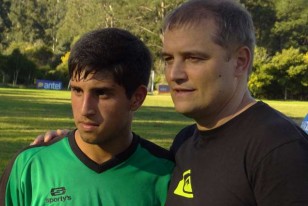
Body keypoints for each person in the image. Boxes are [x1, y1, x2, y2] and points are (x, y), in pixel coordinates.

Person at [29, 0, 308, 205]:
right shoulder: (185, 142)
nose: (175, 74)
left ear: (240, 61)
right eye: (169, 58)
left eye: (194, 58)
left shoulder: (278, 148)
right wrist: (76, 142)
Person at [0, 28, 174, 206]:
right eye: (77, 90)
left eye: (101, 93)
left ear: (137, 98)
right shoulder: (29, 166)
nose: (85, 109)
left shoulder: (167, 175)